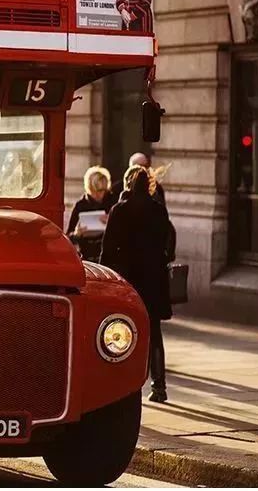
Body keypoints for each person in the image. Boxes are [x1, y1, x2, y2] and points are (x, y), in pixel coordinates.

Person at [101, 165, 172, 403]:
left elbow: (108, 249)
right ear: (149, 184)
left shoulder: (120, 210)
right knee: (154, 334)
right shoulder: (159, 211)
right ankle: (159, 386)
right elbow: (168, 245)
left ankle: (125, 389)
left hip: (128, 280)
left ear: (128, 185)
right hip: (153, 279)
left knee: (122, 331)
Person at [66, 166, 112, 262]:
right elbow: (68, 237)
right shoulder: (81, 205)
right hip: (87, 256)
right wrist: (76, 234)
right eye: (95, 190)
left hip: (107, 257)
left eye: (102, 190)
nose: (99, 194)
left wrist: (111, 222)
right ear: (89, 188)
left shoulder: (111, 203)